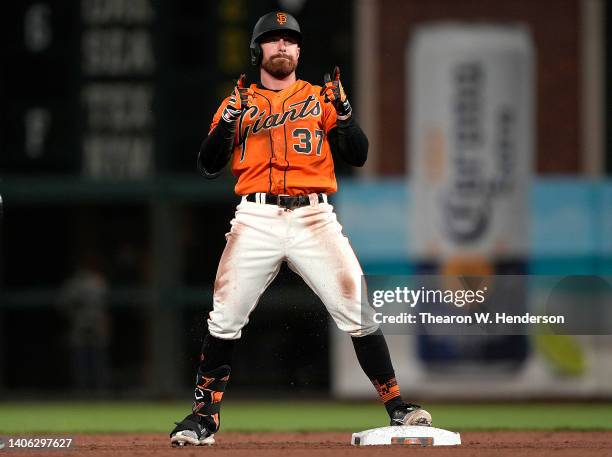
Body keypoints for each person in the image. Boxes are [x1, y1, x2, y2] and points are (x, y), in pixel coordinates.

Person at [170, 11, 431, 447]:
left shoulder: (321, 97)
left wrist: (345, 115)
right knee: (225, 317)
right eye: (272, 40)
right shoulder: (240, 101)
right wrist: (229, 123)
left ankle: (398, 407)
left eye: (289, 41)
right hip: (256, 216)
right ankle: (202, 419)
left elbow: (358, 154)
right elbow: (209, 165)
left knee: (358, 311)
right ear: (258, 51)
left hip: (315, 216)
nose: (282, 47)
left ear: (299, 51)